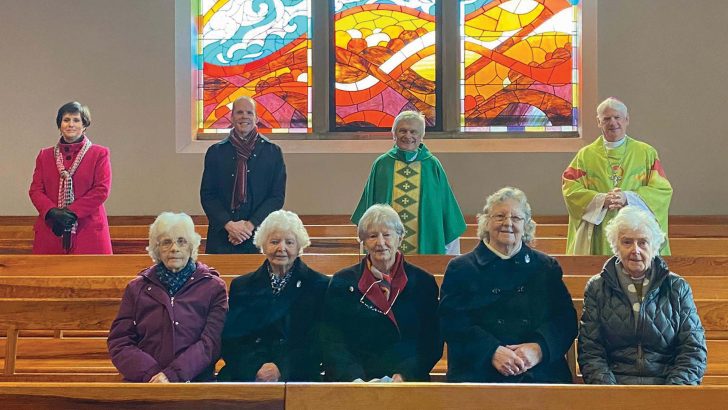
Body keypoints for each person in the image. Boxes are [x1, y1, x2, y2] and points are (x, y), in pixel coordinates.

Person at [439, 187, 577, 383]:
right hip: (478, 370)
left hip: (538, 371)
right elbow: (451, 322)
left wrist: (538, 349)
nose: (508, 223)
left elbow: (565, 320)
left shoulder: (546, 267)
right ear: (486, 222)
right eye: (500, 216)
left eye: (516, 218)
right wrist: (491, 351)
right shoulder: (461, 269)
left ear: (526, 225)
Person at [578, 206, 707, 385]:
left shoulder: (677, 287)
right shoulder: (597, 287)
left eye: (643, 242)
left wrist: (673, 394)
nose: (635, 250)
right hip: (614, 388)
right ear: (616, 245)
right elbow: (591, 350)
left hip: (668, 387)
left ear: (654, 245)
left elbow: (693, 350)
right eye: (627, 242)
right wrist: (610, 396)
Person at [321, 204, 442, 381]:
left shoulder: (423, 282)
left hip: (405, 382)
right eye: (372, 236)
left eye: (387, 235)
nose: (380, 242)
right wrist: (355, 379)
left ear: (400, 238)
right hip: (353, 383)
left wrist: (404, 375)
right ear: (363, 241)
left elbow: (432, 340)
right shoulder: (342, 281)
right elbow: (331, 340)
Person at [108, 212, 228, 382]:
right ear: (157, 249)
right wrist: (153, 375)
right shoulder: (137, 288)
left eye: (181, 241)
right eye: (166, 242)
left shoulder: (213, 287)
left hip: (195, 382)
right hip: (146, 382)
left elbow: (211, 343)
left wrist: (172, 375)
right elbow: (120, 342)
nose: (174, 248)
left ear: (192, 246)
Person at [217, 210, 329, 382]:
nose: (281, 248)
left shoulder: (318, 284)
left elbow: (319, 341)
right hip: (251, 374)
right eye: (274, 241)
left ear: (299, 246)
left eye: (289, 242)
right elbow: (232, 340)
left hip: (298, 373)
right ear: (263, 244)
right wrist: (256, 368)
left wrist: (280, 369)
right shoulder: (242, 286)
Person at [562, 97, 672, 255]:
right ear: (599, 122)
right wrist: (601, 200)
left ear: (627, 120)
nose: (613, 123)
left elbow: (662, 190)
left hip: (635, 230)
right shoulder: (585, 156)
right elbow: (570, 189)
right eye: (606, 119)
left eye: (617, 117)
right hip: (599, 232)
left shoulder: (646, 153)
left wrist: (628, 198)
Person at [351, 111, 466, 255]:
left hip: (426, 250)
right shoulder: (382, 165)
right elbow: (369, 211)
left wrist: (449, 256)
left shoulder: (432, 165)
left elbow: (446, 208)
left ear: (422, 136)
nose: (408, 136)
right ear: (394, 134)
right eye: (402, 131)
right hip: (385, 253)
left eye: (413, 132)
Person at [200, 96, 286, 254]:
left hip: (259, 234)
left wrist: (249, 226)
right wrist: (229, 225)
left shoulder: (273, 152)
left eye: (249, 112)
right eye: (239, 112)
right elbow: (208, 195)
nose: (244, 116)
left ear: (256, 118)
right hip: (222, 236)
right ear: (231, 117)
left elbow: (276, 197)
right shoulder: (216, 152)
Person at [29, 101, 112, 254]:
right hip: (52, 229)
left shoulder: (99, 153)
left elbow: (101, 190)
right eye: (66, 120)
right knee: (48, 277)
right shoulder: (44, 155)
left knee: (92, 277)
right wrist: (52, 212)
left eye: (76, 120)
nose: (70, 124)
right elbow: (36, 190)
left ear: (84, 125)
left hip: (88, 230)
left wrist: (72, 212)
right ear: (59, 125)